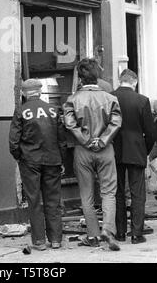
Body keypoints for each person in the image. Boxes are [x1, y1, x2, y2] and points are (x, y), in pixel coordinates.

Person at [63, 58, 122, 251]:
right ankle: (108, 230)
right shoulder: (110, 98)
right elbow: (116, 123)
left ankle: (93, 235)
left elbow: (70, 124)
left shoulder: (73, 99)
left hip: (83, 149)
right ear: (97, 76)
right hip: (105, 150)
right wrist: (103, 140)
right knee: (108, 192)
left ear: (80, 78)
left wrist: (87, 140)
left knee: (86, 195)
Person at [9, 78, 67, 251]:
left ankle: (39, 241)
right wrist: (61, 159)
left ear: (24, 93)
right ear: (40, 92)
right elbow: (62, 139)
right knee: (53, 200)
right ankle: (56, 239)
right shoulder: (53, 110)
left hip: (30, 161)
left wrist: (21, 157)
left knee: (34, 200)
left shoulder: (21, 111)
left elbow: (13, 142)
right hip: (52, 160)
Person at [112, 69, 155, 244]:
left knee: (118, 192)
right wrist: (145, 150)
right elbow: (150, 132)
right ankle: (137, 233)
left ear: (120, 80)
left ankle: (120, 233)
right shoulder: (142, 100)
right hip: (136, 149)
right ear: (134, 82)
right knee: (138, 193)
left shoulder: (110, 97)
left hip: (114, 149)